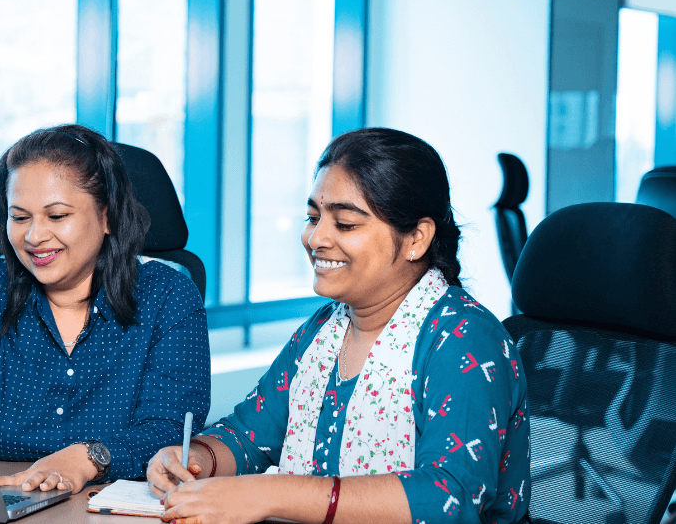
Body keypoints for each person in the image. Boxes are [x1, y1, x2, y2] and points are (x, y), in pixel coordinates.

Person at [147, 128, 529, 524]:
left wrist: (270, 494)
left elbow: (448, 498)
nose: (316, 238)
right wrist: (195, 458)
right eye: (313, 217)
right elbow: (248, 435)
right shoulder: (324, 329)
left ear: (416, 237)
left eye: (345, 223)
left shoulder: (464, 340)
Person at [0, 124, 211, 494]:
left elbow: (168, 432)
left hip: (113, 508)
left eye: (57, 216)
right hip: (5, 497)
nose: (34, 237)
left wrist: (90, 457)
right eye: (19, 217)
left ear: (107, 217)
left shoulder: (169, 297)